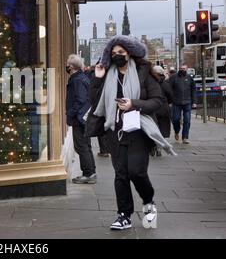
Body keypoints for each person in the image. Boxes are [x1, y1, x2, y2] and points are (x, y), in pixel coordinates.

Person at [88, 35, 175, 230]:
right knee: (121, 174)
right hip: (114, 130)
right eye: (113, 53)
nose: (117, 56)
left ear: (129, 53)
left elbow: (158, 101)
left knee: (137, 172)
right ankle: (123, 215)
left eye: (121, 52)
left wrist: (133, 104)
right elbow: (94, 102)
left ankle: (148, 201)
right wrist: (97, 78)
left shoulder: (144, 73)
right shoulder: (108, 73)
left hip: (138, 130)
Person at [66, 54, 96, 184]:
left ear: (71, 67)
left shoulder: (77, 80)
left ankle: (88, 174)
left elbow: (80, 99)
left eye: (67, 64)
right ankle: (91, 172)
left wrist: (70, 113)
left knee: (81, 146)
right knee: (86, 146)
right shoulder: (82, 78)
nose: (66, 66)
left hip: (79, 119)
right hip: (83, 118)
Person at [86, 66, 110, 158]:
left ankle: (104, 150)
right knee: (105, 127)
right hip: (104, 103)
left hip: (98, 104)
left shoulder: (92, 74)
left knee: (101, 127)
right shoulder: (105, 74)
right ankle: (106, 149)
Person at [168, 64, 196, 144]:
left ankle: (185, 137)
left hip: (187, 102)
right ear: (178, 69)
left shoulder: (189, 78)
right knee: (175, 119)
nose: (182, 70)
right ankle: (176, 131)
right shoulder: (173, 77)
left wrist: (194, 102)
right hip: (176, 102)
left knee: (187, 120)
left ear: (186, 69)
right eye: (181, 68)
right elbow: (169, 89)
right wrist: (170, 100)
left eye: (184, 68)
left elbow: (193, 90)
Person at [151, 65, 173, 157]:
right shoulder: (165, 84)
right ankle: (159, 148)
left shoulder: (150, 83)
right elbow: (171, 96)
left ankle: (153, 146)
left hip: (152, 108)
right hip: (163, 108)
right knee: (162, 129)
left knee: (152, 129)